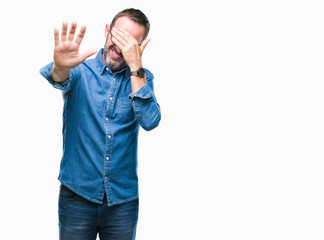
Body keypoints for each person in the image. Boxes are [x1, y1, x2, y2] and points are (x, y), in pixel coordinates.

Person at [39, 8, 161, 240]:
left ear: (139, 48)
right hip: (77, 196)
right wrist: (62, 66)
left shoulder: (142, 79)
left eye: (130, 43)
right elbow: (59, 78)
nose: (120, 47)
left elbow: (150, 121)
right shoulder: (80, 68)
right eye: (118, 36)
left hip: (122, 202)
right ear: (107, 30)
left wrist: (136, 67)